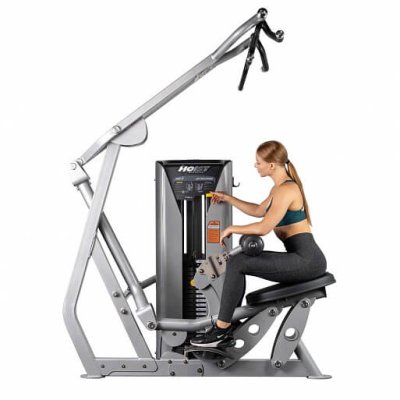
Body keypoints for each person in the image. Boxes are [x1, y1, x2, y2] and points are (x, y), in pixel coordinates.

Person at [190, 140, 327, 348]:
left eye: (259, 162)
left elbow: (264, 227)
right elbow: (258, 211)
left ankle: (222, 329)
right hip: (303, 258)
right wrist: (227, 198)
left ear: (272, 165)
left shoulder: (287, 190)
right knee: (238, 260)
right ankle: (227, 325)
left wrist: (232, 228)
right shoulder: (279, 188)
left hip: (307, 261)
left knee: (238, 262)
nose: (256, 166)